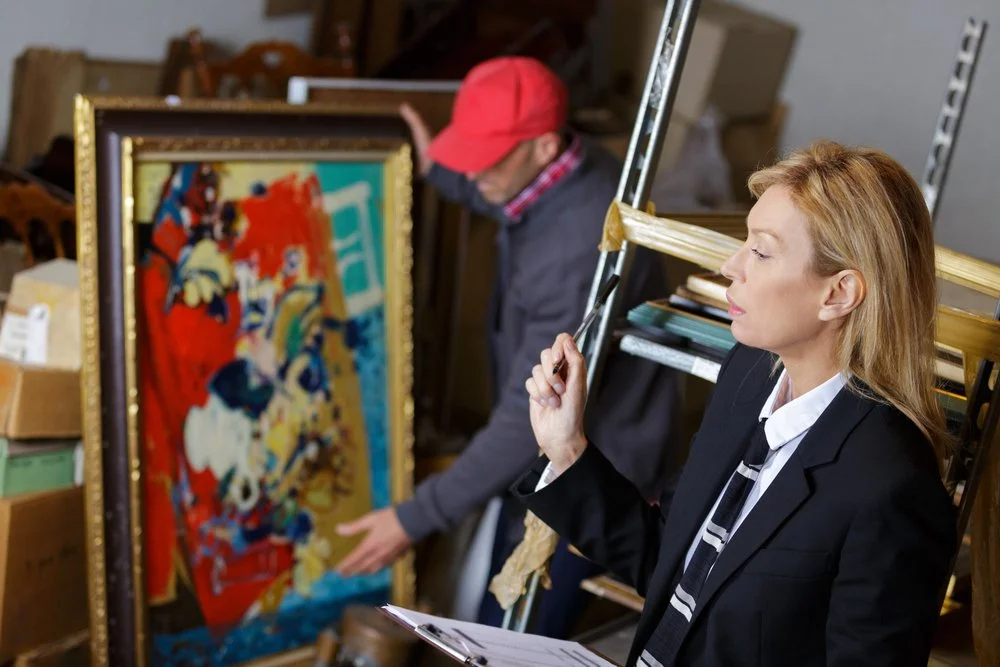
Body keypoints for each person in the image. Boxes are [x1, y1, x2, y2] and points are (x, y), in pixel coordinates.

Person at [517, 140, 958, 666]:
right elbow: (674, 561)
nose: (731, 266)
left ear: (838, 294)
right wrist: (567, 448)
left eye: (761, 251)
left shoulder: (891, 483)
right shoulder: (748, 376)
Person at [334, 56, 681, 637]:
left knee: (509, 637)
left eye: (485, 157)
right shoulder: (569, 169)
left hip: (599, 468)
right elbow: (508, 200)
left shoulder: (574, 251)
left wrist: (413, 517)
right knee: (490, 613)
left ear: (543, 148)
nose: (472, 173)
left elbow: (524, 421)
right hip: (549, 445)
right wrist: (436, 170)